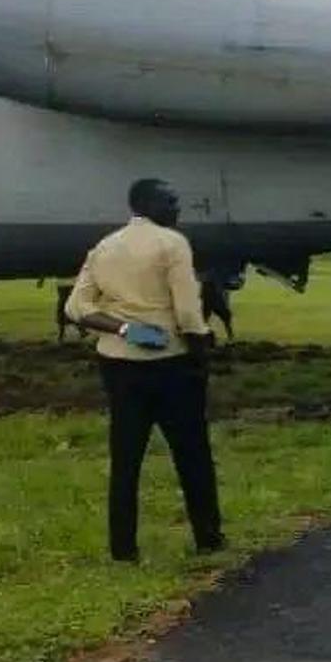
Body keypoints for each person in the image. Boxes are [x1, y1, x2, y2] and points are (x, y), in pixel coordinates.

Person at [65, 178, 223, 562]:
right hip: (171, 363)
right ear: (149, 204)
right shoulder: (172, 243)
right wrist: (200, 345)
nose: (177, 208)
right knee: (192, 453)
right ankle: (207, 537)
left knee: (126, 458)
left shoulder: (105, 247)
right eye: (171, 201)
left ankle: (123, 548)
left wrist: (123, 328)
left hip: (117, 363)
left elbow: (77, 307)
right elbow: (187, 309)